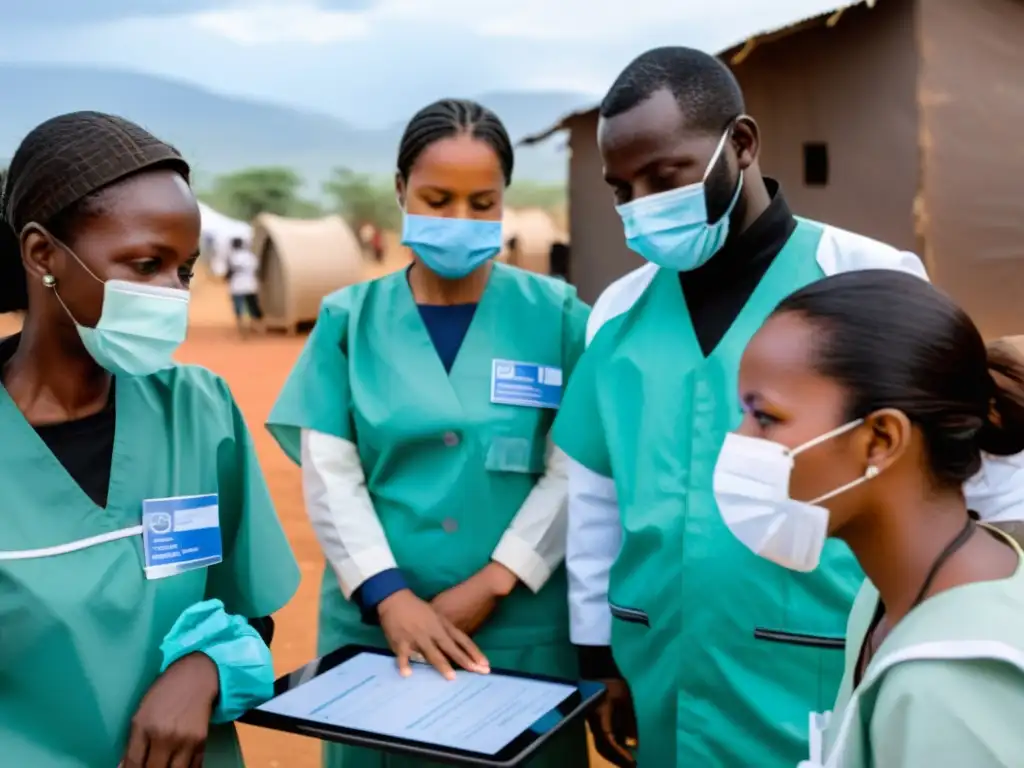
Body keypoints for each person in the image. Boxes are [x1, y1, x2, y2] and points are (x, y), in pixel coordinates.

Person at [551, 47, 1024, 767]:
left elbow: (961, 476)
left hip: (807, 662)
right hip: (658, 659)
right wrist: (599, 651)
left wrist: (951, 626)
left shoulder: (862, 276)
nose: (642, 205)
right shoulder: (616, 314)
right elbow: (595, 496)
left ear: (740, 145)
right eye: (622, 189)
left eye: (666, 176)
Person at [267, 98, 591, 768]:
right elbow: (332, 475)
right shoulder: (349, 321)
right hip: (381, 627)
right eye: (437, 199)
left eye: (482, 203)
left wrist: (500, 578)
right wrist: (389, 595)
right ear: (400, 192)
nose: (460, 220)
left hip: (520, 623)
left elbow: (577, 463)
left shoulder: (556, 316)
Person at [0, 112, 300, 768]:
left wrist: (204, 667)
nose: (171, 294)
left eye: (184, 272)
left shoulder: (199, 411)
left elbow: (247, 612)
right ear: (41, 254)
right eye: (146, 264)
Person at [717, 269, 1024, 767]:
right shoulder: (883, 596)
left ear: (880, 439)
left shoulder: (951, 690)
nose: (738, 444)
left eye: (765, 417)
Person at [225, 236, 264, 336]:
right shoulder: (250, 256)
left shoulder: (231, 257)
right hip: (250, 284)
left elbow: (229, 272)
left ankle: (241, 325)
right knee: (253, 305)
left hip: (237, 285)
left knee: (239, 306)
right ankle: (257, 325)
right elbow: (257, 269)